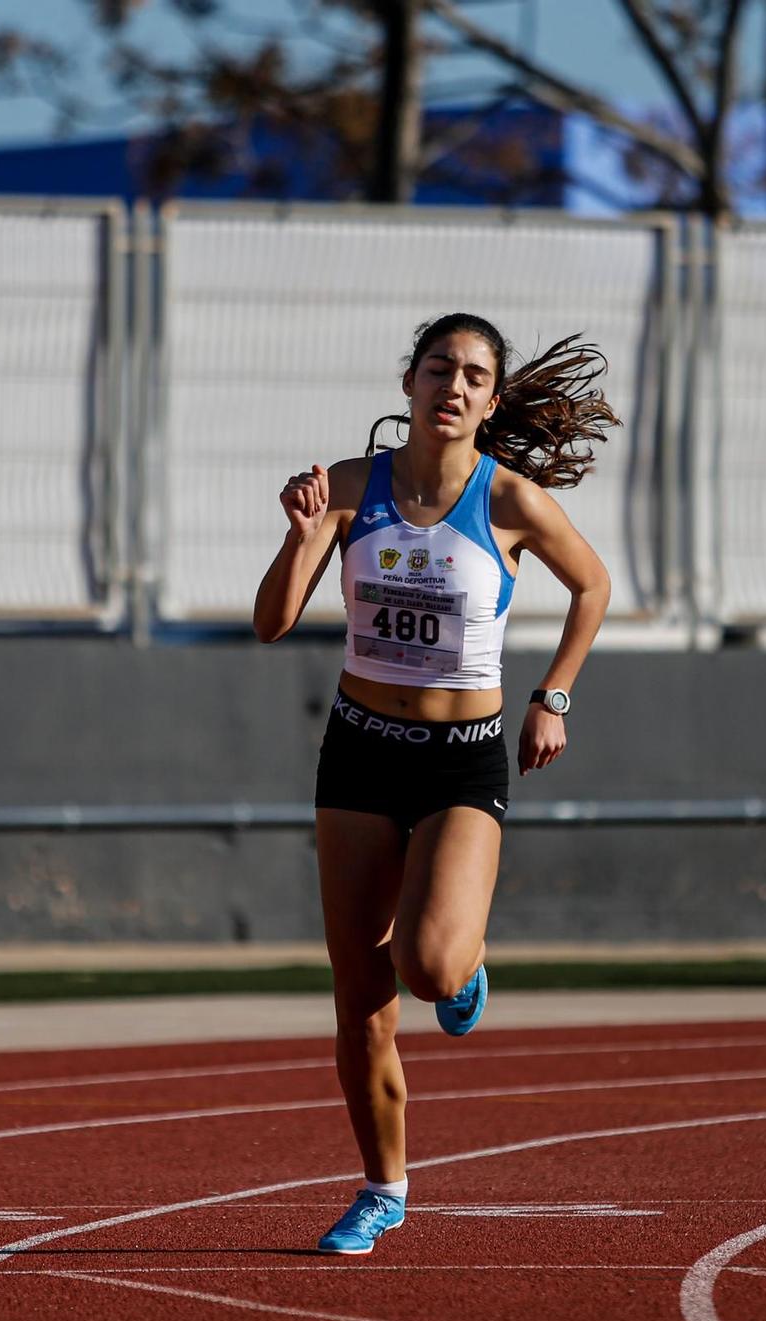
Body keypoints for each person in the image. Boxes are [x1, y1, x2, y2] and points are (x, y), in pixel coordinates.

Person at [253, 313, 616, 1256]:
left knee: (428, 967)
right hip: (359, 753)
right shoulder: (344, 487)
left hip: (461, 759)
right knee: (360, 993)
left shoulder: (511, 502)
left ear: (491, 401)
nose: (452, 386)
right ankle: (383, 1187)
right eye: (437, 368)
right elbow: (270, 622)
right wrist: (302, 537)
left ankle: (467, 956)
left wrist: (556, 697)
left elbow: (593, 585)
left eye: (473, 375)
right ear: (408, 383)